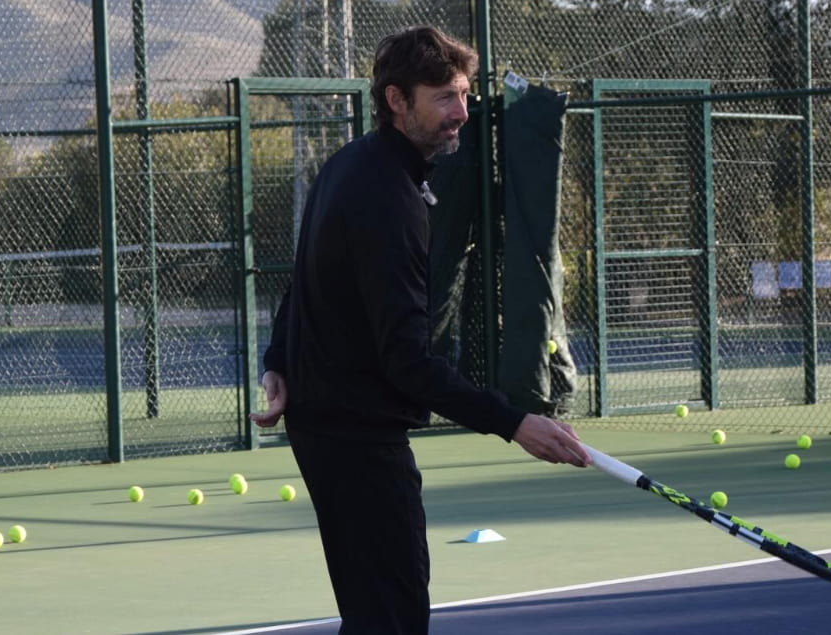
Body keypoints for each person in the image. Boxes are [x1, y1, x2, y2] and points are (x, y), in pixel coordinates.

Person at [250, 25, 590, 635]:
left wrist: (278, 360)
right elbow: (406, 361)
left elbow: (305, 282)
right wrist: (516, 423)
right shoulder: (389, 198)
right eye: (443, 98)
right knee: (393, 617)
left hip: (328, 427)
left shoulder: (351, 166)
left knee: (376, 614)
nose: (461, 112)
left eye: (463, 94)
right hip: (358, 439)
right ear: (396, 100)